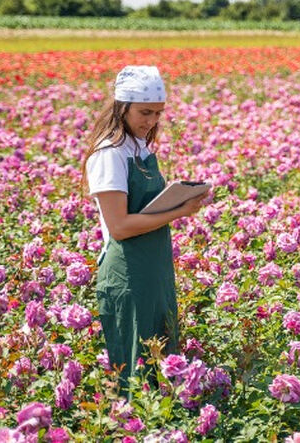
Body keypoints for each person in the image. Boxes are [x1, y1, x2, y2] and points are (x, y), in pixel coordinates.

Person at [81, 65, 208, 394]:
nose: (151, 121)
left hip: (154, 268)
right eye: (145, 112)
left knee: (162, 361)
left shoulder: (138, 149)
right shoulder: (110, 154)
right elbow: (120, 226)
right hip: (128, 272)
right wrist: (179, 210)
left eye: (158, 113)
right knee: (135, 368)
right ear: (122, 107)